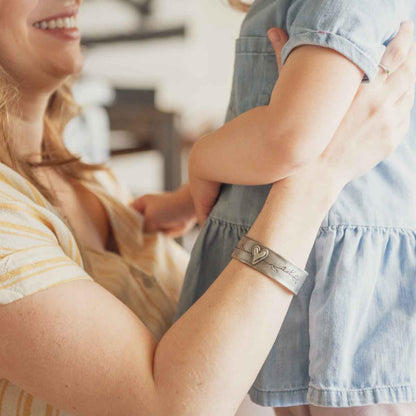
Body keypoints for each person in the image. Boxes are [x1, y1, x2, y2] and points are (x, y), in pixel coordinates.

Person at [0, 1, 414, 416]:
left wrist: (197, 186)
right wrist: (321, 172)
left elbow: (227, 328)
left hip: (350, 335)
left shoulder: (94, 182)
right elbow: (174, 405)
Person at [168, 0, 416, 414]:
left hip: (354, 304)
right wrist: (182, 202)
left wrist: (200, 158)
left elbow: (290, 139)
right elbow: (268, 156)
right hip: (304, 277)